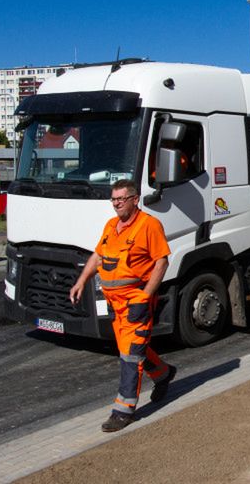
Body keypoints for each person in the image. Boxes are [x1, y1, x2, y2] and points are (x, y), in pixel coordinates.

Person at [69, 179, 177, 432]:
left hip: (136, 300)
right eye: (114, 199)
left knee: (130, 355)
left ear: (135, 199)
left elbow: (161, 263)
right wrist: (81, 281)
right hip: (115, 303)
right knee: (129, 349)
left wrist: (144, 297)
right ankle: (162, 373)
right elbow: (98, 256)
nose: (116, 204)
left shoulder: (149, 225)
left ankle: (123, 410)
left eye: (121, 199)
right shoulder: (111, 226)